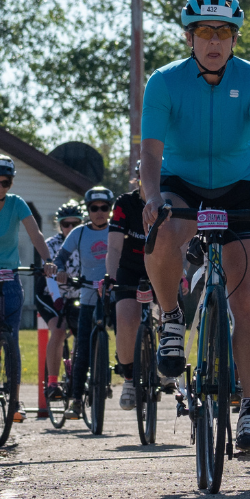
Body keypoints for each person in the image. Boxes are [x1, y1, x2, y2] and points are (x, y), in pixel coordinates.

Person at [139, 0, 250, 459]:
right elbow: (150, 152)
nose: (215, 41)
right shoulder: (163, 82)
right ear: (190, 37)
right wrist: (152, 196)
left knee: (248, 300)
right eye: (205, 31)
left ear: (235, 38)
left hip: (240, 184)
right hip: (181, 182)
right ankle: (173, 319)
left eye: (224, 32)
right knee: (162, 232)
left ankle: (248, 408)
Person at [0, 155, 55, 422]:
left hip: (9, 276)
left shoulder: (17, 203)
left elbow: (36, 235)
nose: (0, 187)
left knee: (12, 339)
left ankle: (14, 399)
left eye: (5, 182)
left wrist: (47, 260)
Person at [55, 185, 114, 416]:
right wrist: (59, 270)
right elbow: (61, 258)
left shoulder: (117, 230)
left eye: (104, 208)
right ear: (87, 209)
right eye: (94, 208)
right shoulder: (78, 233)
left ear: (110, 210)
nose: (99, 212)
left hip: (114, 294)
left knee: (126, 330)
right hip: (88, 294)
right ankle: (77, 398)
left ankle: (127, 368)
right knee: (82, 349)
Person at [106, 163, 150, 411]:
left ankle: (166, 363)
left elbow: (181, 243)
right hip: (130, 268)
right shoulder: (125, 203)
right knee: (125, 318)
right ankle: (130, 378)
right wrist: (112, 278)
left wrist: (182, 275)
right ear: (138, 179)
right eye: (145, 176)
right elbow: (113, 247)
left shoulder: (171, 198)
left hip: (161, 266)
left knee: (170, 314)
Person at [38, 200, 84, 399]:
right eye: (66, 224)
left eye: (76, 224)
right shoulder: (51, 245)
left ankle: (79, 371)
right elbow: (49, 275)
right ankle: (52, 382)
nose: (70, 228)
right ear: (60, 225)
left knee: (84, 332)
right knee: (58, 329)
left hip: (78, 294)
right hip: (51, 295)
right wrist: (56, 297)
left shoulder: (86, 240)